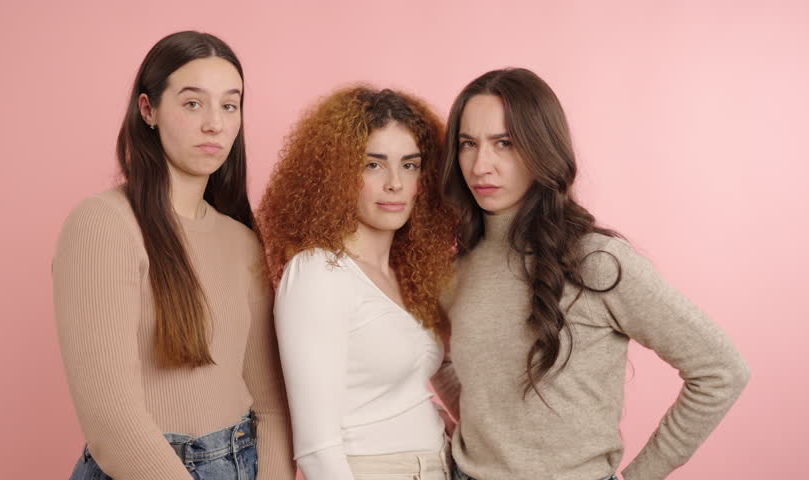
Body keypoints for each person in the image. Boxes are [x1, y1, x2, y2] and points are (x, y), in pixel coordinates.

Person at [432, 68, 750, 480]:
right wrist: (488, 432)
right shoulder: (456, 270)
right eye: (468, 144)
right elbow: (441, 359)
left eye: (504, 143)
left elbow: (721, 369)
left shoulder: (596, 261)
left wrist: (639, 477)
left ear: (540, 147)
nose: (481, 165)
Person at [53, 31, 294, 480]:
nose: (215, 124)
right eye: (193, 103)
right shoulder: (103, 224)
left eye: (230, 105)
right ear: (148, 110)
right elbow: (112, 423)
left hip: (242, 461)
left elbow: (272, 407)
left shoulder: (242, 241)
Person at [257, 86, 456, 480]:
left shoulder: (409, 272)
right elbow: (317, 449)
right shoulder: (318, 272)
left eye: (410, 165)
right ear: (337, 174)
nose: (395, 183)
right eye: (373, 165)